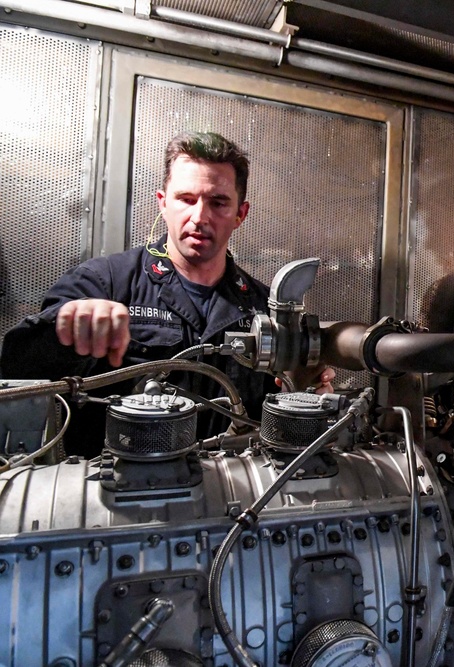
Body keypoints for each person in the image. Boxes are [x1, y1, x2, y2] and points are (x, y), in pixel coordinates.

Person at [0, 131, 334, 456]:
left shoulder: (261, 307)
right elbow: (19, 372)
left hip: (225, 493)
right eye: (186, 199)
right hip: (115, 490)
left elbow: (271, 413)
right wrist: (67, 327)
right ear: (163, 203)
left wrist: (303, 393)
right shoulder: (106, 282)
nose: (199, 216)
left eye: (218, 202)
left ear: (240, 214)